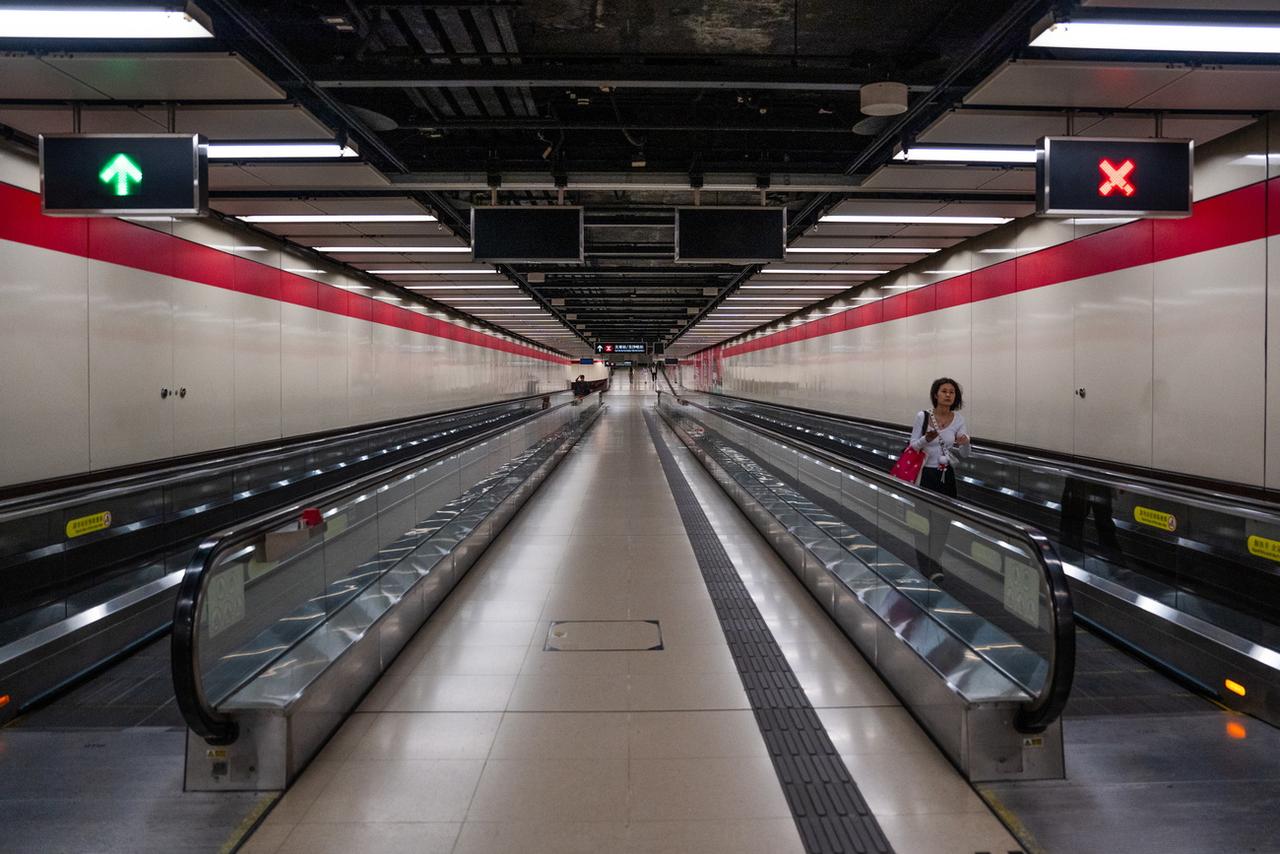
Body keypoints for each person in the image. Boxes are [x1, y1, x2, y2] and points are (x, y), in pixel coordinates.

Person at [908, 377, 970, 497]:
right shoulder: (923, 416)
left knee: (947, 511)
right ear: (936, 395)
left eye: (952, 392)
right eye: (944, 391)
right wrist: (925, 439)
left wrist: (966, 443)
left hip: (946, 473)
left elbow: (964, 454)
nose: (948, 395)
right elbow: (913, 446)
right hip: (924, 471)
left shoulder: (959, 419)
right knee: (924, 511)